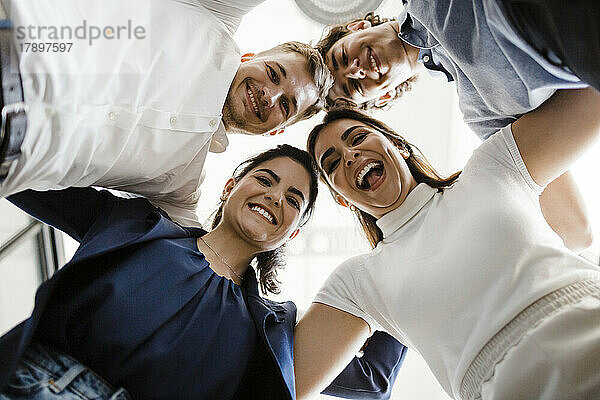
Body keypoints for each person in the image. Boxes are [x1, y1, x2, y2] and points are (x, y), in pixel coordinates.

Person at [0, 145, 406, 400]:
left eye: (292, 200)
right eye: (265, 180)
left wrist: (410, 254)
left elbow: (373, 379)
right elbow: (21, 173)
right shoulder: (136, 224)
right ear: (230, 187)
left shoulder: (274, 330)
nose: (274, 196)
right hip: (27, 381)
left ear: (292, 232)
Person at [295, 87, 600, 400]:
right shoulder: (358, 282)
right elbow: (283, 379)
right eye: (332, 163)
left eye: (357, 138)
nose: (349, 156)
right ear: (341, 199)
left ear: (398, 146)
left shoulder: (491, 168)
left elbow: (590, 91)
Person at [0, 0, 333, 227]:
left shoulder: (181, 189)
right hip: (12, 40)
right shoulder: (214, 13)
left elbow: (204, 254)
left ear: (275, 131)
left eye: (286, 105)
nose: (269, 94)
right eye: (274, 73)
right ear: (250, 55)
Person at [315, 8, 594, 252]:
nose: (354, 69)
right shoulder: (481, 111)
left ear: (358, 27)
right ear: (383, 98)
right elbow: (574, 231)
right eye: (353, 87)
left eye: (341, 57)